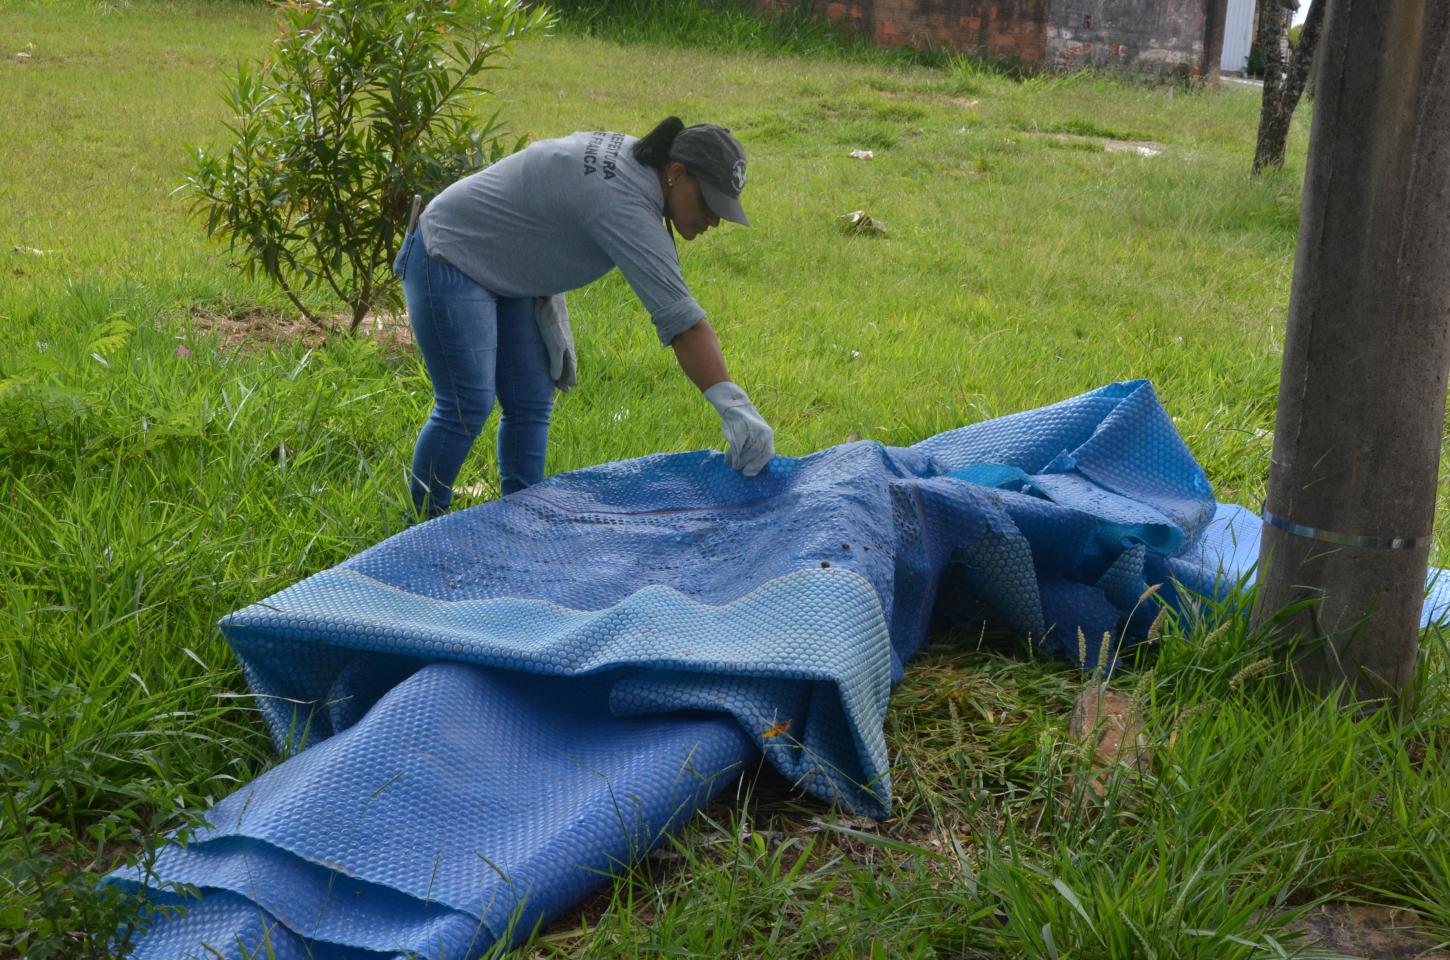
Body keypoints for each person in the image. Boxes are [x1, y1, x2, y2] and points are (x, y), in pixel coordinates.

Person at [392, 117, 775, 519]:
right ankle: (421, 522)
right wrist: (735, 407)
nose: (714, 219)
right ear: (676, 174)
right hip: (451, 249)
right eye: (709, 203)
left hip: (508, 262)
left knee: (530, 400)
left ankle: (522, 521)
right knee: (466, 404)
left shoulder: (641, 169)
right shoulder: (625, 203)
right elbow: (684, 325)